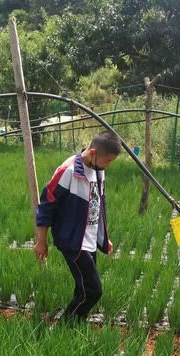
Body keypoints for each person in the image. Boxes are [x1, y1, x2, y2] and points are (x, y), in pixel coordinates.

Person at [34, 130, 121, 322]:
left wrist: (104, 238)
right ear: (92, 153)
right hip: (73, 241)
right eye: (107, 161)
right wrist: (41, 241)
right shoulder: (69, 171)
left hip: (89, 241)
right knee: (93, 290)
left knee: (83, 288)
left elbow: (97, 206)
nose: (108, 165)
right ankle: (67, 325)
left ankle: (75, 325)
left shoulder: (99, 172)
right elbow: (47, 204)